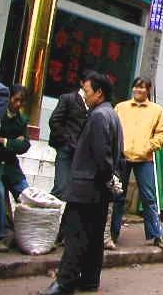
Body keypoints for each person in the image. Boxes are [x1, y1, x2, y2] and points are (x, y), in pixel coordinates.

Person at [40, 73, 123, 295]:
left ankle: (64, 283)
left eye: (87, 91)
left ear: (99, 93)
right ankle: (89, 280)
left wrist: (107, 178)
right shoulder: (112, 115)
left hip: (87, 187)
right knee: (94, 237)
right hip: (99, 190)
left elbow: (101, 155)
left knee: (76, 235)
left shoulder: (98, 116)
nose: (84, 95)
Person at [110, 77, 163, 250]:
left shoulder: (156, 110)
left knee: (150, 198)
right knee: (117, 197)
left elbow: (162, 134)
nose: (138, 90)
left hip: (145, 159)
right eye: (136, 87)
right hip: (122, 157)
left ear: (148, 90)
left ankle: (157, 236)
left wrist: (148, 147)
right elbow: (112, 128)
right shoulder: (121, 107)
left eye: (142, 88)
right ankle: (112, 234)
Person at [0, 84, 30, 253]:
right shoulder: (0, 114)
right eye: (16, 99)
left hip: (11, 167)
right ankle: (1, 235)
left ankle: (27, 235)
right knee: (0, 193)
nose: (18, 104)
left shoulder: (22, 119)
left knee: (27, 195)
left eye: (21, 101)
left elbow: (25, 145)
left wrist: (4, 141)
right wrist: (13, 141)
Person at [49, 72, 90, 200]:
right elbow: (54, 120)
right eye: (89, 82)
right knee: (61, 186)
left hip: (81, 152)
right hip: (66, 147)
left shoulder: (93, 104)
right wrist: (66, 139)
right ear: (82, 83)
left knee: (74, 190)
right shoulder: (68, 98)